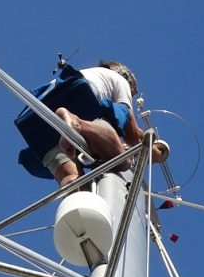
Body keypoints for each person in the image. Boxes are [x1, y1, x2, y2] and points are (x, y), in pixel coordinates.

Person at [15, 60, 168, 186]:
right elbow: (131, 133)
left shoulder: (85, 73)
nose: (131, 96)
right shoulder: (120, 79)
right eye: (132, 93)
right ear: (126, 77)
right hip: (77, 100)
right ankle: (77, 123)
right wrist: (151, 150)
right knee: (122, 162)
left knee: (71, 179)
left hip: (35, 119)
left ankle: (78, 208)